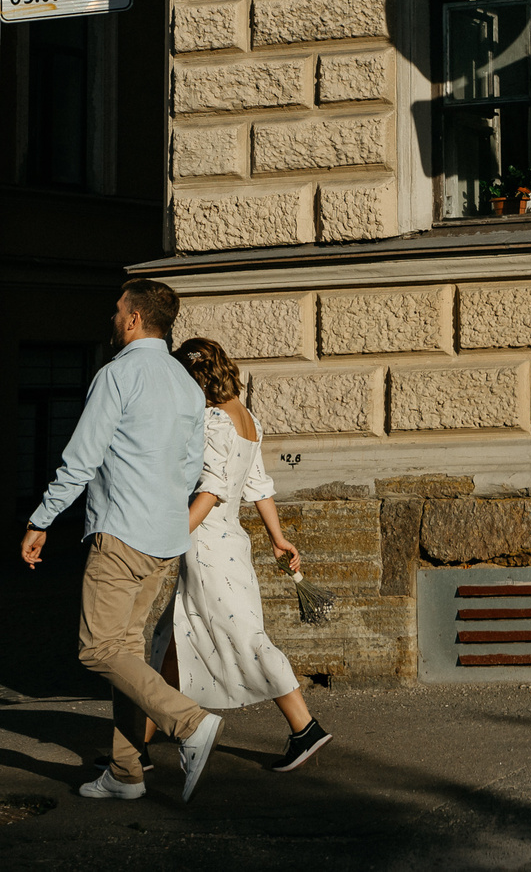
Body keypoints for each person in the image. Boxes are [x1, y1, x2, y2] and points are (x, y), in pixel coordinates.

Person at [22, 279, 223, 804]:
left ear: (134, 319)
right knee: (127, 653)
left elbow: (81, 458)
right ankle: (126, 772)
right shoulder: (185, 383)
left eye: (117, 311)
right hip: (165, 538)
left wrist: (42, 519)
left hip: (121, 534)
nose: (112, 318)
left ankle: (190, 722)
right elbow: (190, 467)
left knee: (98, 649)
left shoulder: (117, 374)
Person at [154, 338, 333, 774]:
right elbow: (257, 484)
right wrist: (278, 538)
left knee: (247, 639)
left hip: (205, 545)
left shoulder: (213, 419)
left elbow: (212, 490)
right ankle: (133, 750)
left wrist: (170, 535)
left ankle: (305, 728)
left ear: (195, 377)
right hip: (230, 541)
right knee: (170, 641)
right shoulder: (247, 418)